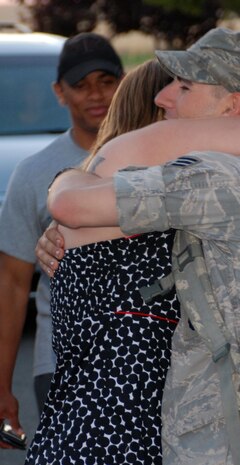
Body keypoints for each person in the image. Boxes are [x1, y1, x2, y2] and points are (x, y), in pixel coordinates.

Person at [30, 29, 240, 465]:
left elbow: (69, 204)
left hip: (107, 433)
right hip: (154, 432)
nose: (164, 97)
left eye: (184, 87)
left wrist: (68, 179)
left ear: (233, 107)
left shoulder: (199, 179)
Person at [0, 32, 123, 448]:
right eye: (81, 84)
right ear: (59, 92)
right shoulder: (33, 173)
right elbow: (14, 285)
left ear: (123, 83)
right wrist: (2, 385)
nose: (96, 94)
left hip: (152, 359)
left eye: (106, 81)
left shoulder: (156, 159)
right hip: (61, 364)